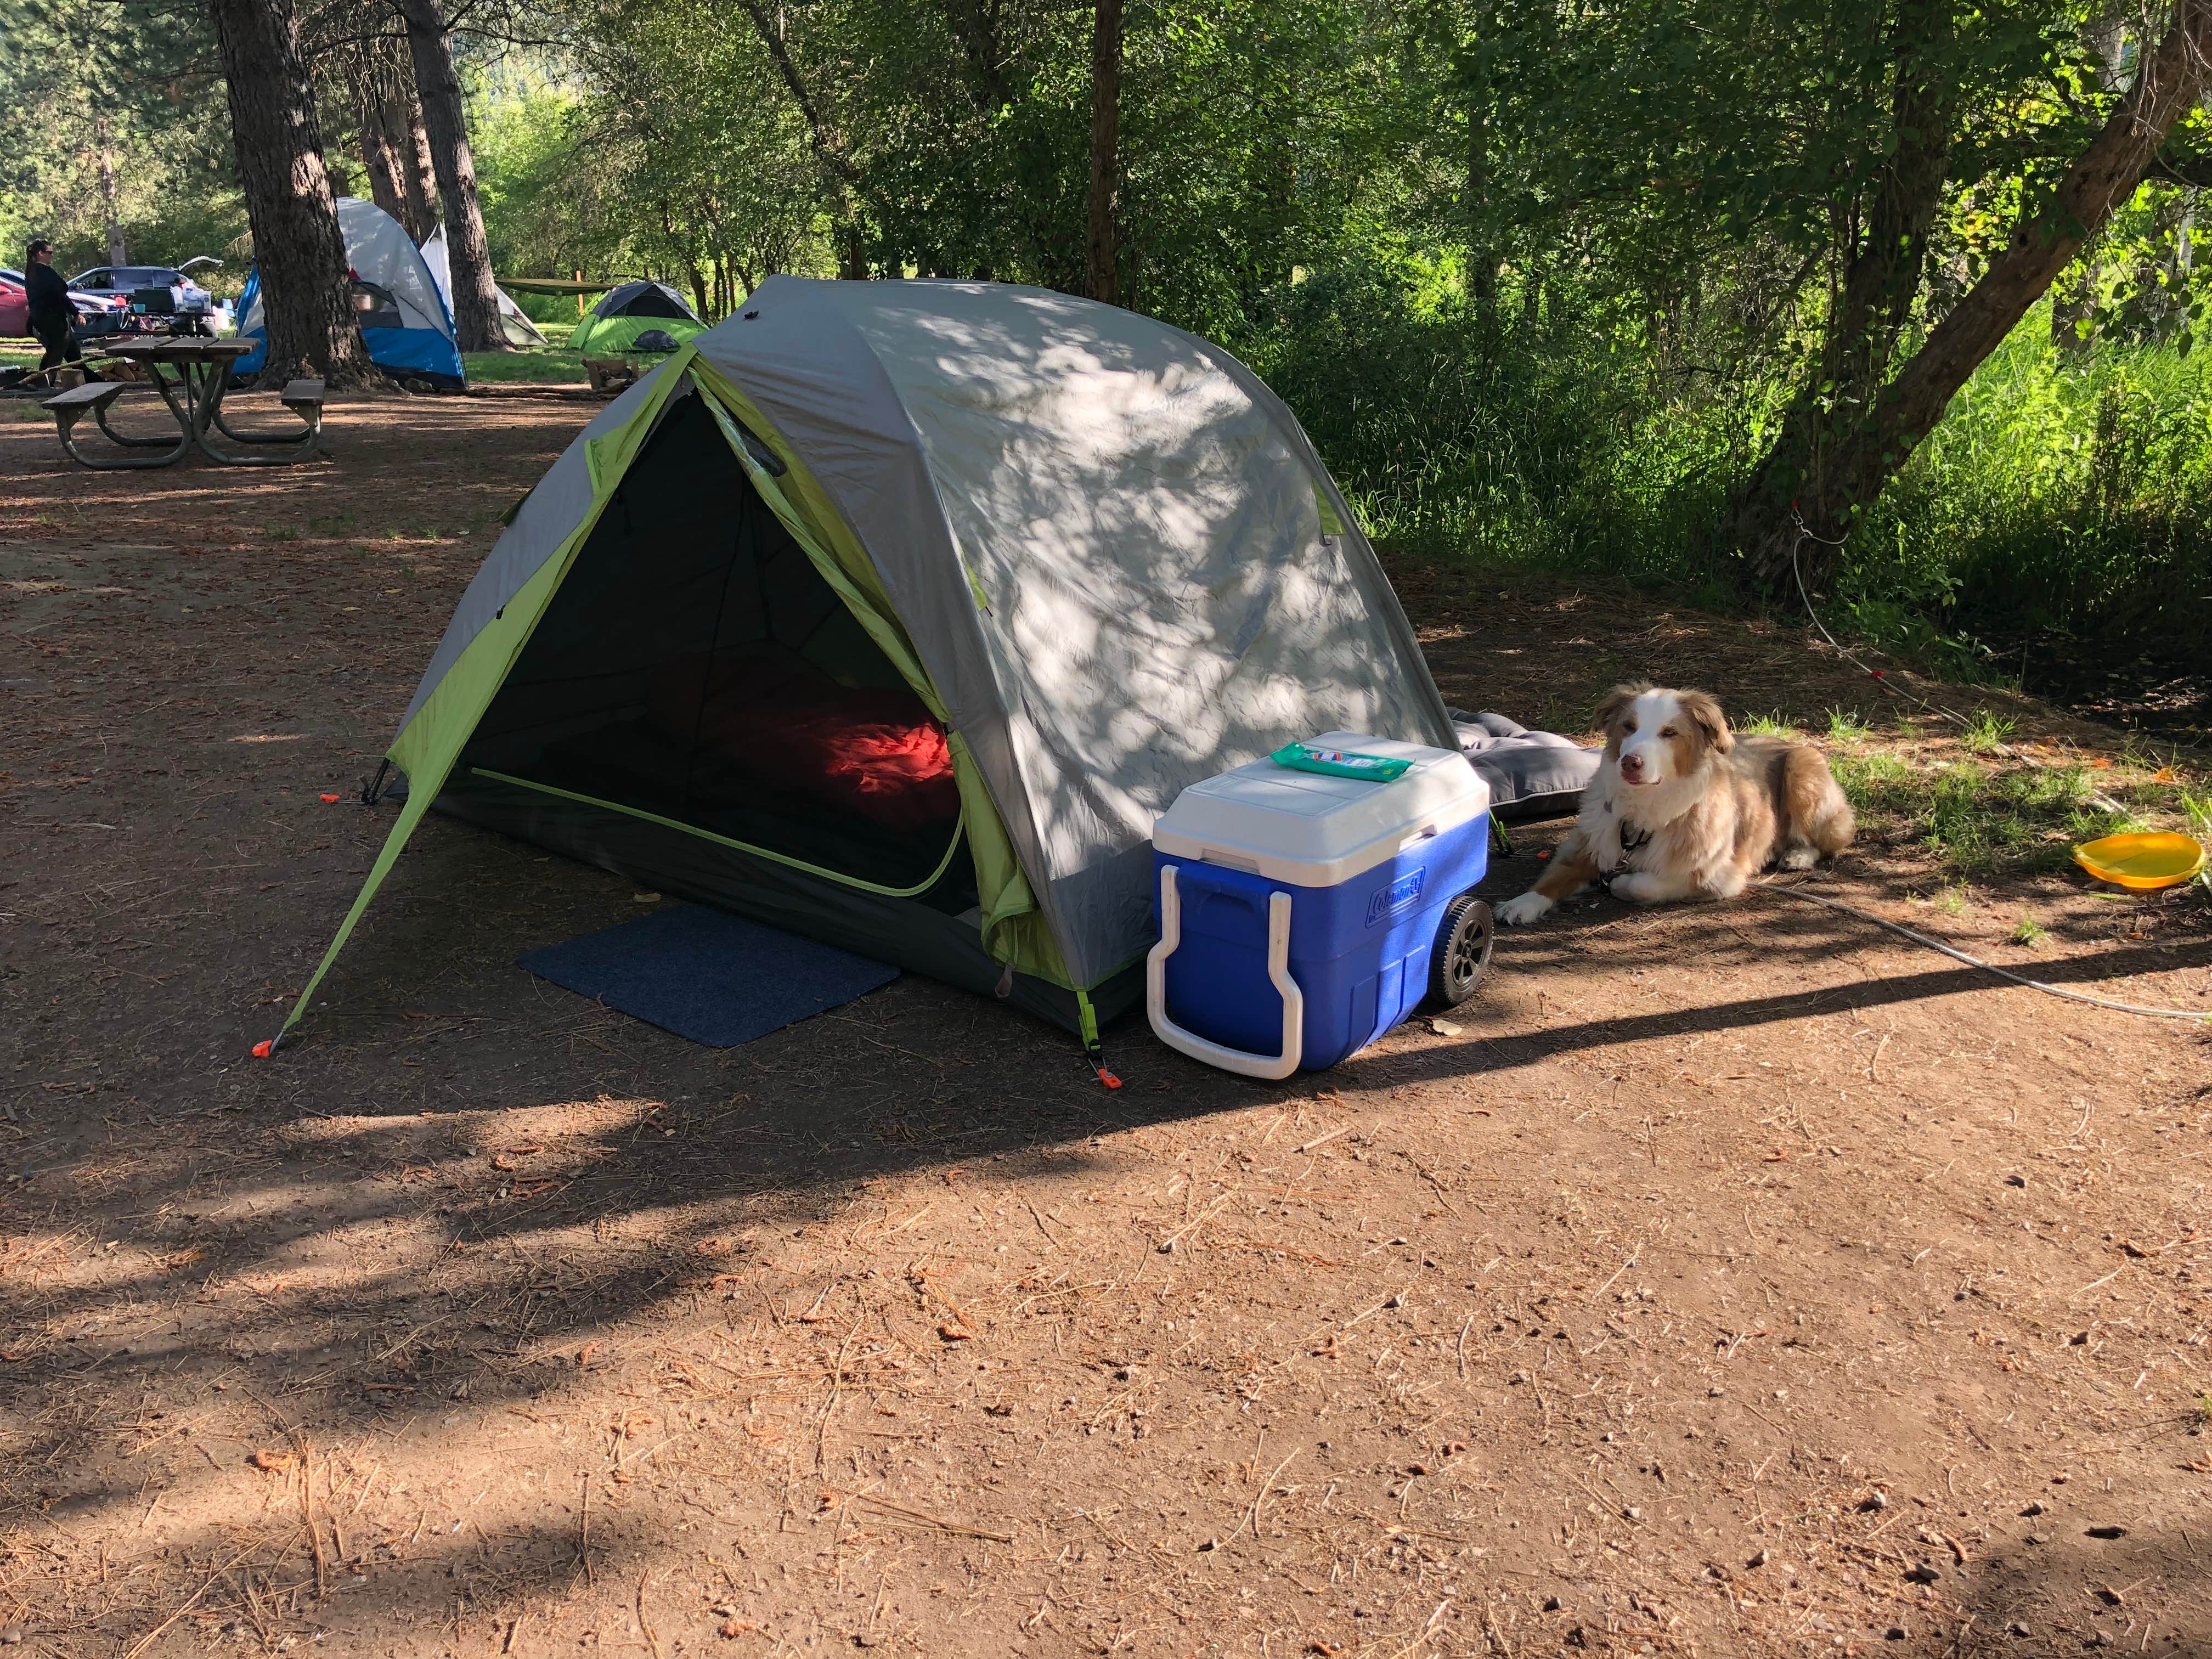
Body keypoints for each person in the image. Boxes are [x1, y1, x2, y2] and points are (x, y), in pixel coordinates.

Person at [24, 238, 95, 380]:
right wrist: (75, 313)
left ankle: (91, 379)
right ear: (40, 253)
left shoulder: (34, 272)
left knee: (73, 354)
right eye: (49, 252)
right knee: (55, 354)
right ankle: (41, 382)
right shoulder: (42, 272)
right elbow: (59, 295)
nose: (52, 255)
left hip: (47, 318)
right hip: (53, 320)